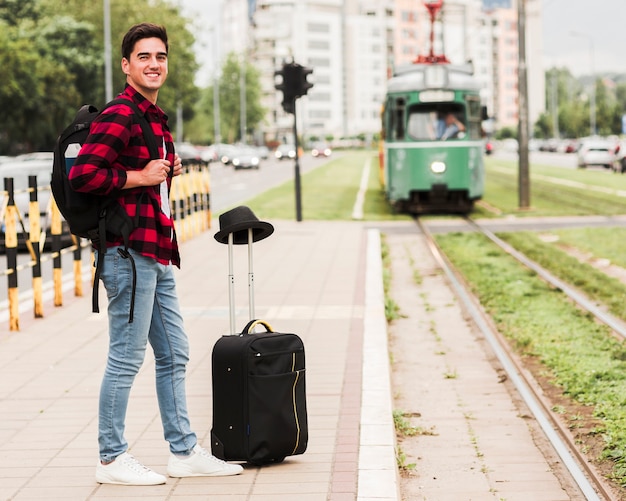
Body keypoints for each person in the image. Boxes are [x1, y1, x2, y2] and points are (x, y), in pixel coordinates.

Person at [69, 23, 243, 486]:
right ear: (126, 65)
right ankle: (110, 457)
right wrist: (141, 177)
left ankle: (183, 451)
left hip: (154, 251)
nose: (154, 64)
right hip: (127, 254)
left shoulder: (153, 117)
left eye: (160, 56)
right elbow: (84, 175)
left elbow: (141, 173)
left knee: (174, 354)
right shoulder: (120, 113)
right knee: (126, 357)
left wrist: (162, 172)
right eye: (143, 56)